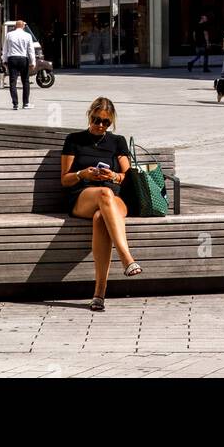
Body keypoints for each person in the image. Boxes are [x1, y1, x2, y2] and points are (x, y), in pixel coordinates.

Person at [60, 98, 142, 311]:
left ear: (111, 122)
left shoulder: (118, 141)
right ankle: (126, 257)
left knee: (100, 218)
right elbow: (65, 179)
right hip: (83, 196)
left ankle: (99, 294)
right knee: (103, 194)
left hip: (114, 198)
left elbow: (128, 176)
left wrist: (113, 175)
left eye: (106, 122)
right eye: (97, 120)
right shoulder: (74, 140)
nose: (100, 125)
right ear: (90, 115)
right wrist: (83, 173)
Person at [2, 18, 35, 110]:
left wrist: (4, 60)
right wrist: (33, 62)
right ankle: (26, 103)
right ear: (23, 26)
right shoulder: (27, 35)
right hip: (23, 59)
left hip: (12, 58)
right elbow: (31, 50)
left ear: (15, 26)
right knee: (25, 81)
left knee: (13, 82)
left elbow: (5, 49)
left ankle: (15, 104)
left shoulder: (9, 35)